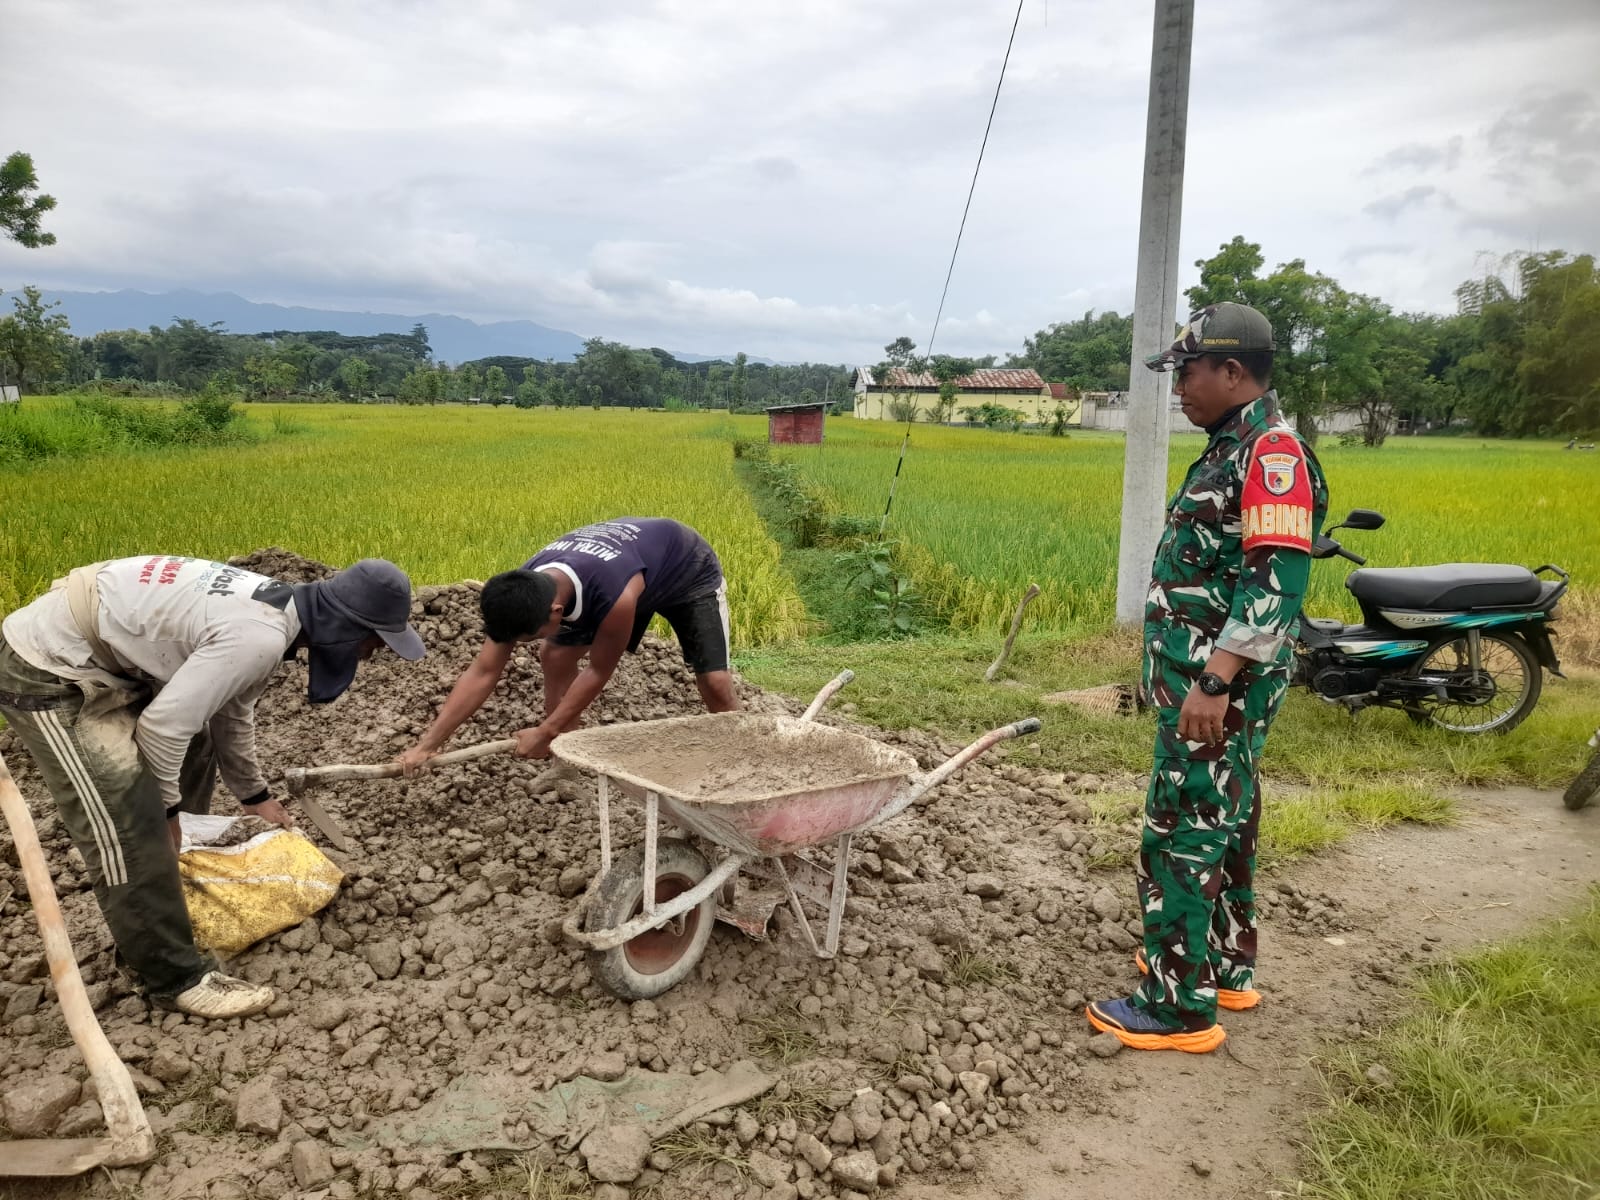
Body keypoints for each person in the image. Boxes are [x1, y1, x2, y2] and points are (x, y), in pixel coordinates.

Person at [0, 555, 425, 1019]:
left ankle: (172, 886)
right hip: (48, 663)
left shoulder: (278, 612)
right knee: (127, 818)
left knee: (195, 741)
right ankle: (174, 977)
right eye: (375, 641)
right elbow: (162, 730)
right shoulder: (258, 635)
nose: (374, 654)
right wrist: (165, 816)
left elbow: (229, 706)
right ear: (346, 628)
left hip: (107, 650)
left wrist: (254, 795)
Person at [1086, 303, 1329, 1053]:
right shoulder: (1236, 443)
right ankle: (1221, 964)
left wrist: (1216, 681)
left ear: (1232, 371)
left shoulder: (1271, 453)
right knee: (1228, 818)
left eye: (1187, 373)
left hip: (1215, 692)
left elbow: (1276, 583)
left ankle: (1175, 1003)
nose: (1179, 388)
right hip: (1208, 686)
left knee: (1182, 827)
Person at [400, 517, 737, 770]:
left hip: (687, 570)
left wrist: (545, 730)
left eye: (530, 636)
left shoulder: (613, 598)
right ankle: (567, 765)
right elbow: (484, 671)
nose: (524, 645)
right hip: (631, 565)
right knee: (555, 654)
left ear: (556, 612)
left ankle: (744, 759)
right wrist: (427, 745)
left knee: (715, 683)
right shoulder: (520, 592)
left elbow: (598, 671)